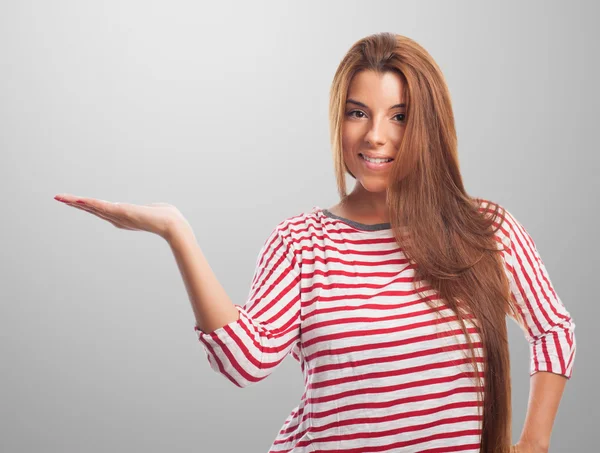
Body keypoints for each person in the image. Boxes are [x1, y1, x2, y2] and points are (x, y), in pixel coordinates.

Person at [54, 33, 575, 453]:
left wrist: (534, 441)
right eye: (357, 113)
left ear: (429, 125)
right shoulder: (304, 242)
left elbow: (553, 328)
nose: (375, 135)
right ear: (338, 120)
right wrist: (177, 233)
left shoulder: (486, 230)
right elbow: (245, 361)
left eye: (399, 116)